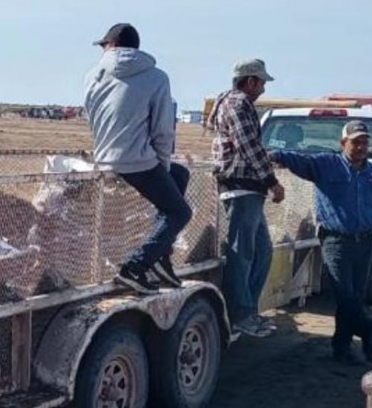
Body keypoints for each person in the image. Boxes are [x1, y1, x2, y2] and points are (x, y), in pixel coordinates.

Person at [270, 121, 372, 364]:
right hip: (336, 242)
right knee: (345, 296)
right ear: (342, 143)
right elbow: (299, 160)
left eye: (364, 142)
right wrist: (274, 155)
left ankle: (342, 349)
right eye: (355, 142)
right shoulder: (326, 165)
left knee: (354, 297)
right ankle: (368, 329)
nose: (360, 147)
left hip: (366, 242)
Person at [84, 23, 192, 295]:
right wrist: (162, 165)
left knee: (180, 175)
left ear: (110, 45)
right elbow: (163, 130)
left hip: (104, 155)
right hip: (137, 161)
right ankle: (134, 267)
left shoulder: (92, 76)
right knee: (180, 212)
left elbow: (92, 117)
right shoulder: (157, 78)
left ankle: (160, 257)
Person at [209, 59, 284, 337]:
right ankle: (241, 314)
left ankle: (247, 310)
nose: (263, 88)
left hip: (246, 188)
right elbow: (249, 146)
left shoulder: (227, 102)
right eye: (261, 82)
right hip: (243, 186)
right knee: (242, 253)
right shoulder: (239, 104)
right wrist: (272, 181)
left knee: (262, 251)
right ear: (250, 81)